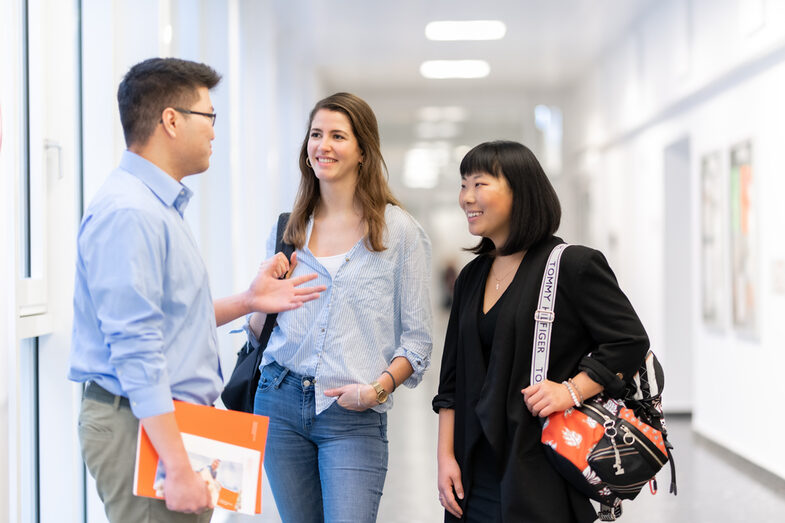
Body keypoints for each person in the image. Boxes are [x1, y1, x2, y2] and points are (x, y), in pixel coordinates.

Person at [68, 57, 324, 523]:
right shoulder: (132, 213)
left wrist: (249, 301)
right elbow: (136, 348)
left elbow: (169, 321)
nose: (213, 132)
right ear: (170, 120)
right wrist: (178, 465)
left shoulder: (158, 207)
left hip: (166, 422)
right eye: (209, 117)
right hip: (142, 427)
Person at [432, 140, 649, 522]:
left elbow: (629, 341)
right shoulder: (471, 277)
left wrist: (570, 390)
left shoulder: (572, 265)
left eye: (480, 184)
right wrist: (445, 457)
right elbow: (450, 380)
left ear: (521, 190)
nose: (467, 197)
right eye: (463, 185)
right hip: (472, 470)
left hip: (540, 465)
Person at [246, 92, 433, 522]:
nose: (323, 146)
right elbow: (261, 332)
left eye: (337, 136)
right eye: (316, 135)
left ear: (363, 151)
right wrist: (262, 295)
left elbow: (418, 341)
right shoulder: (289, 228)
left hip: (352, 413)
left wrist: (377, 390)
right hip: (279, 400)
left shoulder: (399, 232)